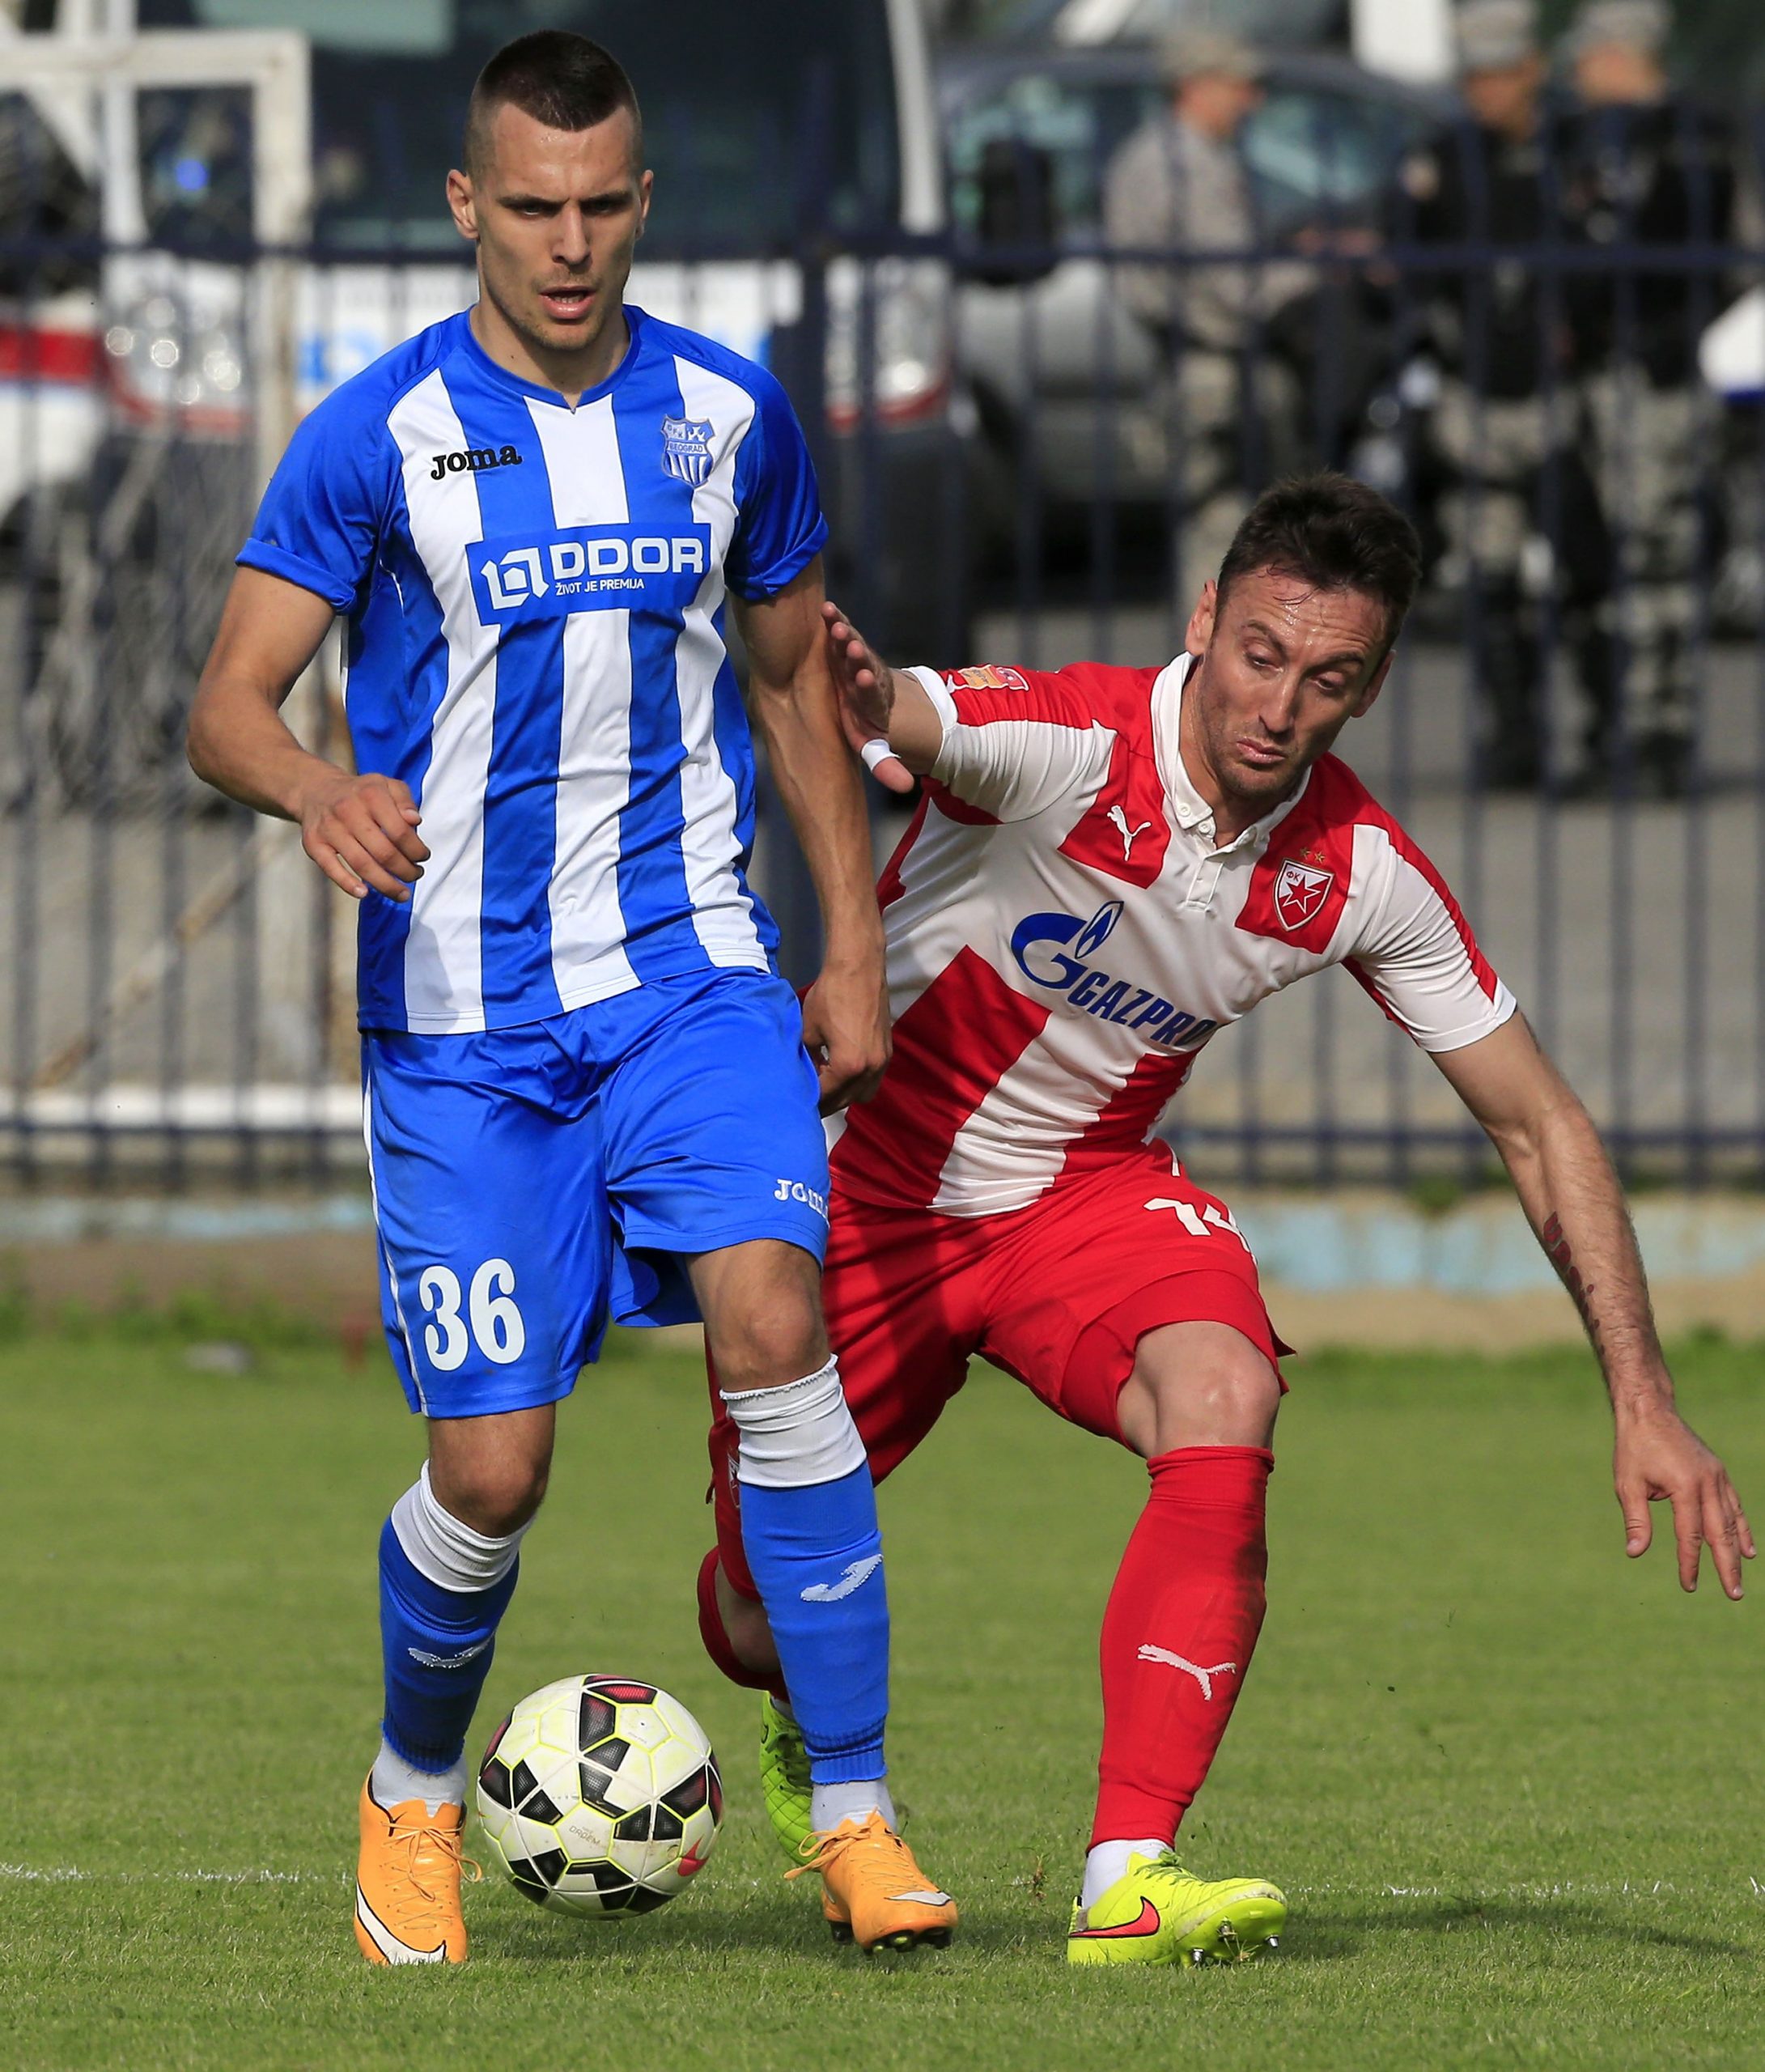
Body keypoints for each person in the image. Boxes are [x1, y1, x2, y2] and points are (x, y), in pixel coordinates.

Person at [695, 473, 1752, 1967]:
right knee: (748, 1609)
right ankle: (800, 1719)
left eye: (1328, 679)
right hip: (869, 1197)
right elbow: (905, 714)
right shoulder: (1067, 739)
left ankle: (1128, 1878)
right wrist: (876, 696)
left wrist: (1643, 1398)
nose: (1280, 706)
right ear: (1206, 619)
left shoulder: (1355, 872)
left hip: (1084, 1196)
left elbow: (1537, 1122)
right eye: (1260, 653)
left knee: (1224, 1390)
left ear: (1372, 687)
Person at [185, 31, 956, 1965]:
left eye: (604, 202)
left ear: (640, 199)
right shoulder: (372, 432)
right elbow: (222, 705)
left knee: (775, 1323)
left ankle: (855, 1812)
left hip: (686, 975)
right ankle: (410, 1788)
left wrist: (849, 943)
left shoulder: (725, 414)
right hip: (461, 1020)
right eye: (531, 206)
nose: (570, 242)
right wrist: (313, 785)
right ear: (467, 205)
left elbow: (793, 685)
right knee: (494, 1463)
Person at [1399, 0, 1590, 788]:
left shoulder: (1573, 153)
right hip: (1473, 394)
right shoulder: (1445, 160)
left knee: (1589, 567)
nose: (1485, 93)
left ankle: (1612, 729)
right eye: (1473, 78)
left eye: (1499, 76)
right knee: (1489, 571)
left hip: (1564, 396)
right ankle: (1512, 736)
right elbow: (1411, 265)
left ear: (1531, 74)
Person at [1561, 0, 1742, 796]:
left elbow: (1705, 255)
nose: (1579, 74)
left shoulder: (1682, 140)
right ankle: (1646, 728)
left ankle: (1650, 732)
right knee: (1640, 557)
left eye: (1591, 59)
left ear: (1622, 57)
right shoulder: (1600, 140)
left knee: (1650, 557)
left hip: (1656, 377)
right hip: (1612, 374)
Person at [1103, 26, 1315, 597]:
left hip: (1198, 362)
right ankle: (1206, 677)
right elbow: (1232, 282)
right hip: (1210, 367)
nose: (1251, 101)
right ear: (1196, 85)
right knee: (1223, 538)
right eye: (1238, 85)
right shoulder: (1182, 163)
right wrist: (1313, 270)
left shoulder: (1160, 154)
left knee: (1223, 534)